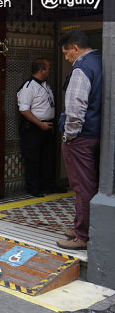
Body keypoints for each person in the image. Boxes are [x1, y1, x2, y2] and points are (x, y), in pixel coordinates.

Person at [57, 30, 102, 250]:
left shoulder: (82, 68)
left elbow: (75, 109)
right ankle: (81, 226)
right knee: (90, 183)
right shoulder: (101, 61)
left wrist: (69, 136)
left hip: (81, 137)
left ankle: (82, 236)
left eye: (66, 53)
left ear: (75, 48)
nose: (66, 58)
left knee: (82, 186)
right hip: (96, 133)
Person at [17, 59, 66, 197]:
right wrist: (40, 124)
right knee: (33, 158)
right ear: (41, 70)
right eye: (48, 68)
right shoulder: (29, 87)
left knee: (48, 157)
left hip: (47, 126)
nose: (50, 71)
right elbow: (24, 110)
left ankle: (49, 185)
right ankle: (34, 188)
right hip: (34, 127)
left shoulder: (45, 85)